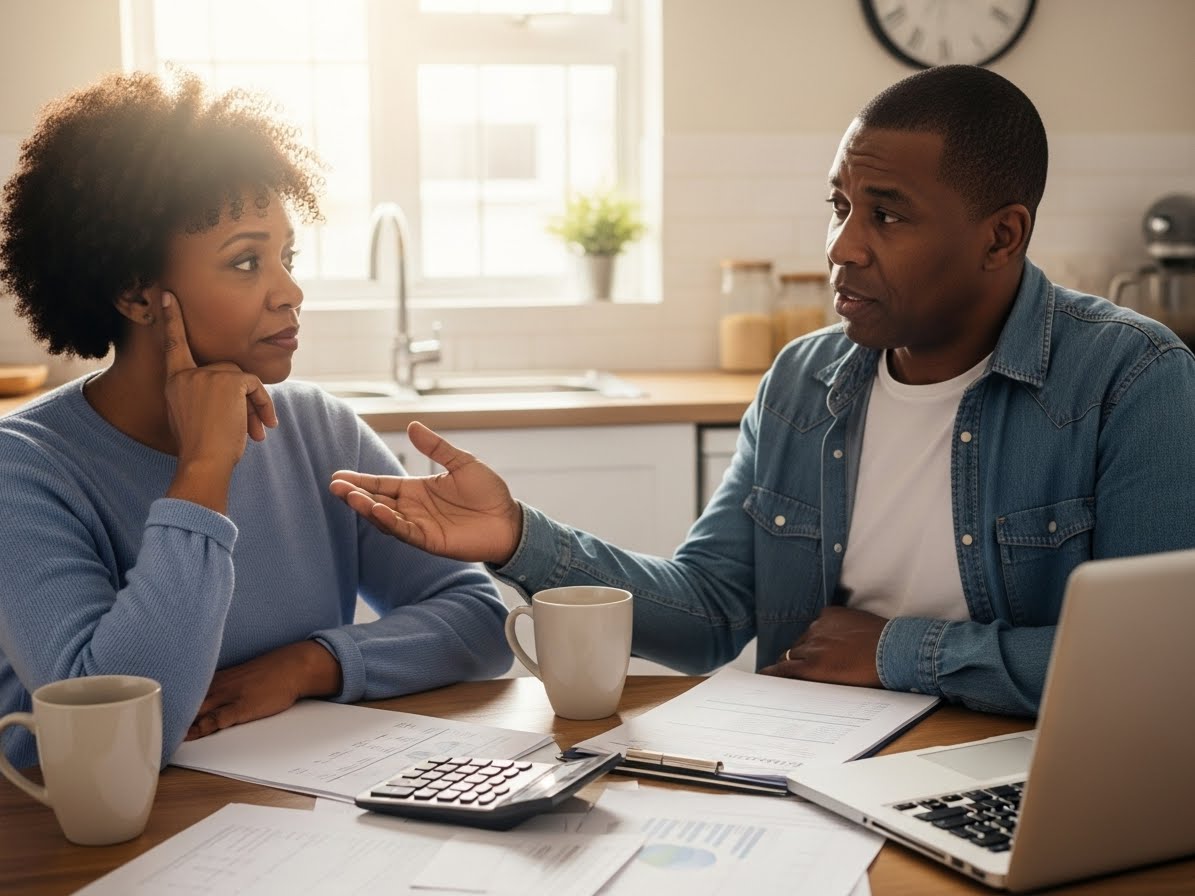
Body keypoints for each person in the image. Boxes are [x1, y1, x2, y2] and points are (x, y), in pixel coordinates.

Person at [330, 64, 1195, 718]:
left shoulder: (1130, 380)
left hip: (1020, 774)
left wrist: (902, 653)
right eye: (838, 205)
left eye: (885, 214)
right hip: (817, 761)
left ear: (1000, 236)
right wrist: (518, 537)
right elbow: (709, 612)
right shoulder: (802, 378)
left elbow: (1159, 670)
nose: (841, 247)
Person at [0, 72, 511, 771]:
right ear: (136, 292)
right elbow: (117, 731)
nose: (291, 291)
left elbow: (477, 619)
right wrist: (204, 472)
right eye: (246, 261)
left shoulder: (316, 429)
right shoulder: (24, 468)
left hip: (272, 808)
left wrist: (308, 665)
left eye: (286, 257)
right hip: (74, 837)